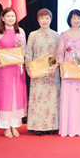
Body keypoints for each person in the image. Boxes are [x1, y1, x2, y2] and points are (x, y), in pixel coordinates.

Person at [0, 7, 27, 138]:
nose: (11, 18)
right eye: (8, 16)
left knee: (16, 96)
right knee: (5, 97)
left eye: (13, 16)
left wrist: (22, 57)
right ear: (3, 18)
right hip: (3, 69)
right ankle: (6, 126)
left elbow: (24, 49)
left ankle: (15, 125)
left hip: (17, 69)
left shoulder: (20, 32)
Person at [58, 9, 80, 137]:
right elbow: (60, 54)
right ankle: (69, 128)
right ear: (69, 20)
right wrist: (62, 68)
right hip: (69, 70)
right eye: (74, 18)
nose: (76, 20)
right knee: (70, 98)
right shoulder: (64, 35)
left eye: (78, 18)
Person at [25, 8, 60, 136]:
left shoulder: (56, 35)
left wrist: (56, 66)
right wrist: (28, 68)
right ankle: (37, 126)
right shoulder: (33, 35)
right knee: (37, 98)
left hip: (51, 71)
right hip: (37, 71)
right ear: (38, 20)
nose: (44, 21)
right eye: (42, 18)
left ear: (51, 19)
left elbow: (58, 53)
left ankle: (51, 126)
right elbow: (29, 53)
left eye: (47, 18)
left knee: (52, 98)